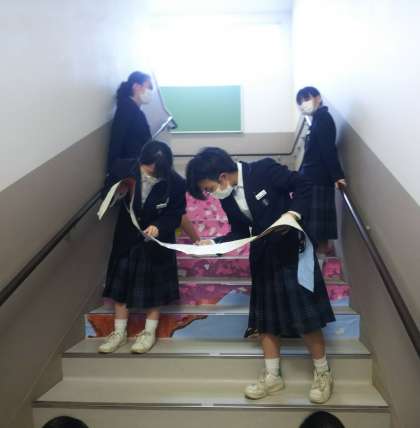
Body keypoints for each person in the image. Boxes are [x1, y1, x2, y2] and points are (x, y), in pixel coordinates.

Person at [186, 148, 336, 404]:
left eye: (209, 188)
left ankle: (323, 374)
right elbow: (239, 232)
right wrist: (213, 244)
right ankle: (272, 376)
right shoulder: (227, 197)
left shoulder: (264, 169)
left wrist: (293, 213)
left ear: (222, 177)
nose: (211, 194)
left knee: (306, 317)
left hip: (293, 252)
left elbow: (304, 184)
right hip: (263, 258)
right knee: (266, 321)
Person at [98, 141, 186, 354]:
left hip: (156, 244)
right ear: (141, 160)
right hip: (127, 238)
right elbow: (105, 194)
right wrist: (118, 192)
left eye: (156, 170)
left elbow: (176, 214)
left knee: (154, 290)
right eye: (147, 168)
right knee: (120, 289)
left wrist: (160, 226)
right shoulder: (123, 168)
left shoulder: (175, 182)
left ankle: (149, 332)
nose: (151, 173)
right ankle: (119, 333)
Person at [106, 71, 199, 242]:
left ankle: (195, 240)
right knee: (169, 196)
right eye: (149, 86)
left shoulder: (134, 110)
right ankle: (197, 241)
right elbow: (116, 142)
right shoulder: (127, 107)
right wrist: (114, 174)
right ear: (136, 86)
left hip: (148, 166)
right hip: (137, 169)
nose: (150, 91)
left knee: (173, 192)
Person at [296, 87, 346, 259]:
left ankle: (319, 260)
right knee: (313, 225)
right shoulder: (317, 120)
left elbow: (328, 150)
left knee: (317, 227)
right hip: (312, 179)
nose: (303, 104)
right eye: (300, 102)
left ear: (318, 98)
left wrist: (338, 176)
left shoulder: (323, 119)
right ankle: (317, 259)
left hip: (318, 180)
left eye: (306, 99)